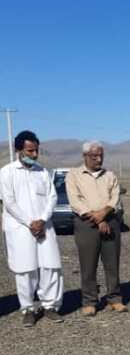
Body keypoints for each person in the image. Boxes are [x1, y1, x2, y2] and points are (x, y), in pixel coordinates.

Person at [0, 130, 63, 327]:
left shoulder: (42, 172)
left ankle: (50, 306)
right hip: (20, 229)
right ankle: (28, 308)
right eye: (30, 151)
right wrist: (30, 222)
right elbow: (9, 202)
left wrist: (42, 220)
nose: (34, 155)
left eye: (36, 151)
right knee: (25, 269)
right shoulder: (6, 172)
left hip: (44, 228)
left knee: (50, 266)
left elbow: (52, 197)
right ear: (18, 149)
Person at [65, 141, 127, 316]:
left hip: (111, 222)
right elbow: (76, 201)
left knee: (112, 262)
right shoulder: (74, 175)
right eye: (94, 156)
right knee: (88, 264)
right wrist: (98, 218)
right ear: (85, 156)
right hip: (86, 224)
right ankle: (90, 301)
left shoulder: (110, 175)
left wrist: (104, 213)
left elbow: (115, 198)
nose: (98, 159)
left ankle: (115, 298)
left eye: (101, 156)